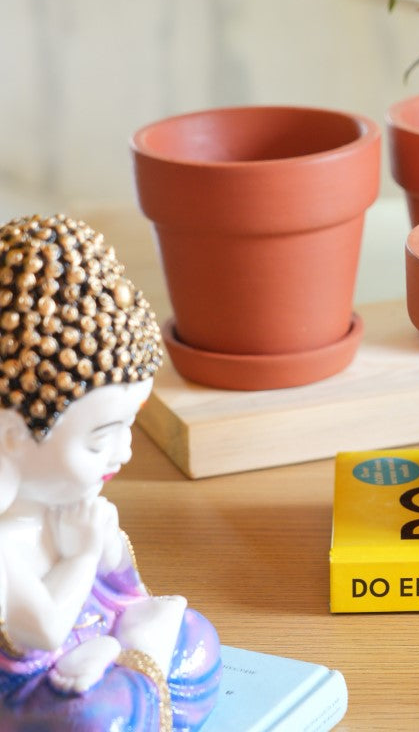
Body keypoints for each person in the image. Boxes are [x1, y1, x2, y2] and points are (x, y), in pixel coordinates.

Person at [0, 215, 220, 731]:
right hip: (30, 690)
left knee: (200, 640)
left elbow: (124, 587)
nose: (123, 453)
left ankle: (130, 661)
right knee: (92, 719)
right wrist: (80, 555)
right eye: (100, 437)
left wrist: (109, 547)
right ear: (9, 435)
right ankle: (138, 660)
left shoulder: (72, 507)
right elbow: (46, 632)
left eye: (129, 427)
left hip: (99, 643)